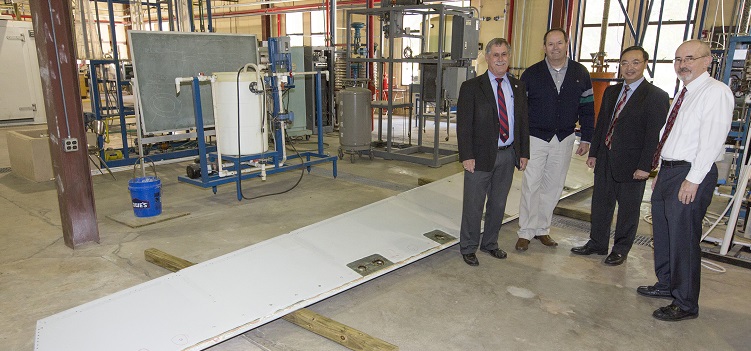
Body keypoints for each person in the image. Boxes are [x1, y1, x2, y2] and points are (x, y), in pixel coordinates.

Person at [639, 39, 733, 321]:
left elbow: (711, 141)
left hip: (692, 172)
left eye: (689, 58)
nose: (682, 64)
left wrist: (692, 179)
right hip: (670, 171)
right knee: (665, 234)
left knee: (683, 239)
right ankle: (667, 283)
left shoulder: (715, 93)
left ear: (707, 61)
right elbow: (672, 137)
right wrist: (660, 172)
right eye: (678, 59)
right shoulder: (686, 94)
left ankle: (686, 302)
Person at [571, 46, 669, 265]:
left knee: (628, 209)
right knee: (600, 205)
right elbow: (603, 123)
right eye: (624, 63)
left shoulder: (656, 97)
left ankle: (621, 249)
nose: (629, 67)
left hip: (633, 164)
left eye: (635, 62)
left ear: (645, 64)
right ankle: (597, 243)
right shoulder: (612, 92)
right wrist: (594, 153)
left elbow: (654, 136)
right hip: (606, 158)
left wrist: (646, 166)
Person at [516, 28, 594, 251]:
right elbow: (520, 111)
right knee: (531, 185)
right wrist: (520, 141)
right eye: (550, 44)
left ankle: (542, 229)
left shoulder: (580, 73)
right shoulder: (531, 74)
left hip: (565, 137)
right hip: (536, 137)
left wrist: (587, 137)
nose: (555, 48)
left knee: (554, 186)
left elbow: (587, 108)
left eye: (559, 43)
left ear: (567, 44)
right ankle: (526, 232)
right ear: (544, 47)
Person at [457, 38, 530, 266]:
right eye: (495, 55)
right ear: (487, 58)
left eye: (504, 54)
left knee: (498, 204)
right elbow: (463, 125)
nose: (500, 59)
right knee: (474, 204)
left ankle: (490, 243)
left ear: (509, 57)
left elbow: (522, 122)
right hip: (479, 156)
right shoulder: (471, 87)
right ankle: (468, 247)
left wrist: (523, 152)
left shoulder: (517, 87)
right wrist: (467, 155)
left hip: (508, 155)